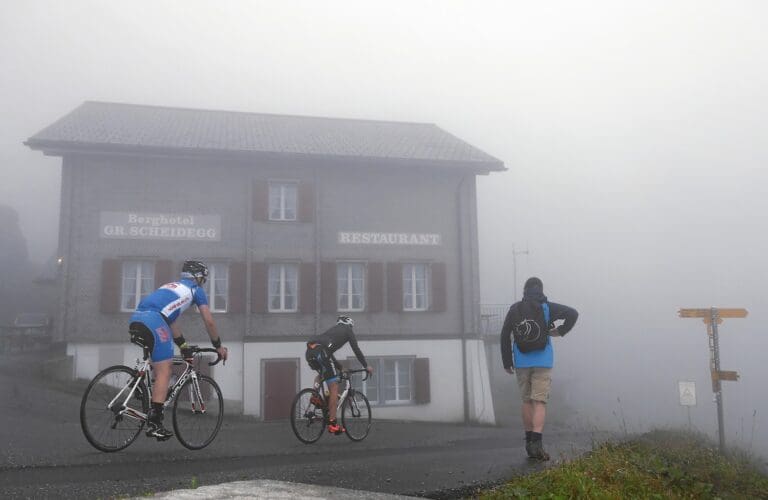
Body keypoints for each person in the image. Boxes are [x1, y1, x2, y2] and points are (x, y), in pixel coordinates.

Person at [128, 260, 228, 440]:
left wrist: (183, 346)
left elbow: (170, 320)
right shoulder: (195, 291)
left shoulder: (170, 286)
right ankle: (155, 423)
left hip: (137, 319)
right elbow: (209, 321)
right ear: (198, 277)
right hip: (154, 321)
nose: (202, 283)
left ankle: (141, 386)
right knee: (165, 370)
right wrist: (218, 346)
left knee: (158, 359)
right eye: (203, 279)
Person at [500, 277, 578, 460]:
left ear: (525, 291)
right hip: (543, 360)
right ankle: (537, 444)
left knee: (526, 401)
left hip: (521, 361)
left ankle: (528, 443)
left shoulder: (515, 309)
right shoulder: (547, 307)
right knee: (539, 402)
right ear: (541, 290)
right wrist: (559, 331)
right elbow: (573, 313)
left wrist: (506, 361)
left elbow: (505, 335)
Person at [305, 315, 374, 434]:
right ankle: (332, 423)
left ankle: (315, 395)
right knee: (334, 386)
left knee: (322, 373)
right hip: (322, 352)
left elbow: (328, 352)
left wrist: (339, 367)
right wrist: (366, 365)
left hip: (310, 352)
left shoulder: (332, 331)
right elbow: (356, 349)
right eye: (351, 327)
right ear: (349, 324)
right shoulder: (347, 330)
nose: (351, 329)